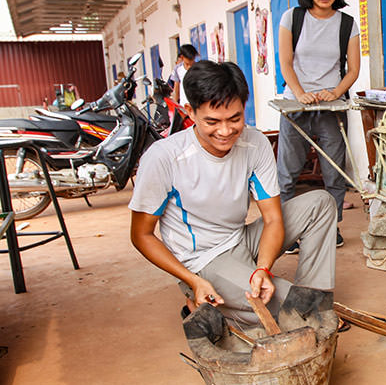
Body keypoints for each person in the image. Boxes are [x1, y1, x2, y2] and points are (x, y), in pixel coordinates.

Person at [129, 60, 339, 325]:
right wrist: (193, 280)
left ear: (244, 107)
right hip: (202, 261)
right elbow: (141, 235)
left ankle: (311, 298)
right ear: (189, 112)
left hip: (241, 239)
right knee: (294, 310)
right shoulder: (164, 158)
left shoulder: (255, 142)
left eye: (235, 118)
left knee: (320, 203)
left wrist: (262, 268)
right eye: (212, 122)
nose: (226, 131)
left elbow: (273, 219)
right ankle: (205, 300)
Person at [277, 0, 360, 252]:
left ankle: (330, 227)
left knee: (334, 170)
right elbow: (286, 62)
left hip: (330, 107)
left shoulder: (347, 24)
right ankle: (288, 231)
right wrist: (299, 92)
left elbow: (353, 69)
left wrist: (336, 91)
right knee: (288, 171)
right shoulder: (292, 18)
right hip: (295, 105)